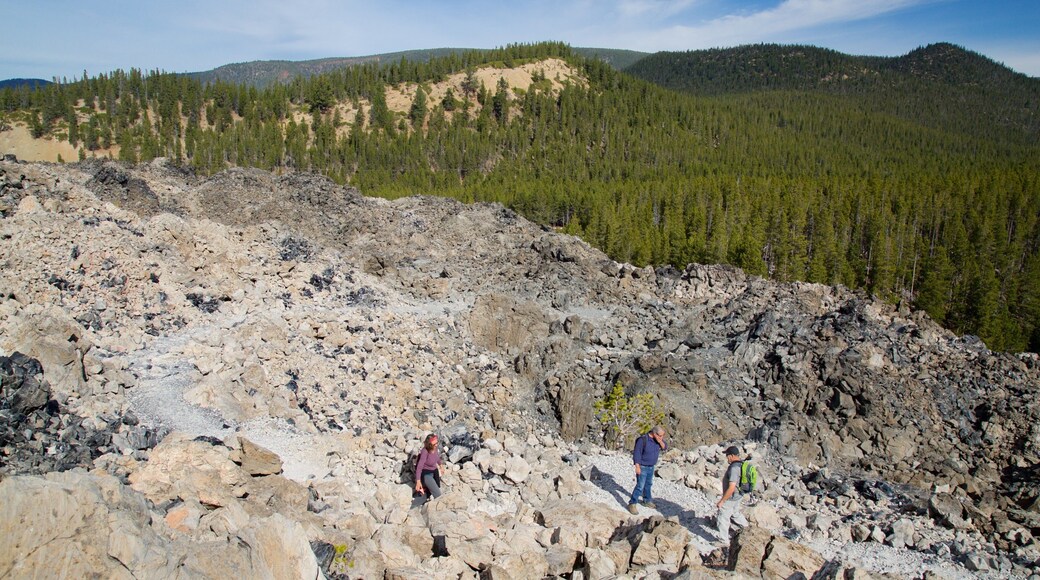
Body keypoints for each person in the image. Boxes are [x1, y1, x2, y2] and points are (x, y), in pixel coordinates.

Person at [628, 426, 667, 514]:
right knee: (640, 486)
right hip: (642, 466)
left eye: (662, 436)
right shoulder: (642, 440)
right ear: (654, 433)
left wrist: (660, 441)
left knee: (648, 484)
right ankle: (632, 503)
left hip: (651, 466)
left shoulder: (658, 441)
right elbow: (637, 453)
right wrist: (637, 466)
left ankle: (647, 500)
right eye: (660, 436)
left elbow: (665, 447)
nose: (661, 438)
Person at [716, 445, 749, 542]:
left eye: (727, 455)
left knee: (722, 516)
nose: (726, 457)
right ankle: (747, 529)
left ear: (731, 455)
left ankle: (723, 540)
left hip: (732, 497)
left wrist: (722, 501)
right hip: (739, 495)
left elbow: (731, 487)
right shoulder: (741, 464)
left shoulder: (734, 468)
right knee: (735, 513)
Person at [414, 433, 445, 500]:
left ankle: (426, 492)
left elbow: (437, 457)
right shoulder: (425, 452)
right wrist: (418, 481)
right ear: (429, 445)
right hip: (426, 474)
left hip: (434, 472)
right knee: (438, 494)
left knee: (433, 490)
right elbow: (419, 467)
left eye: (437, 443)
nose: (436, 445)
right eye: (434, 444)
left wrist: (441, 465)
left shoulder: (435, 448)